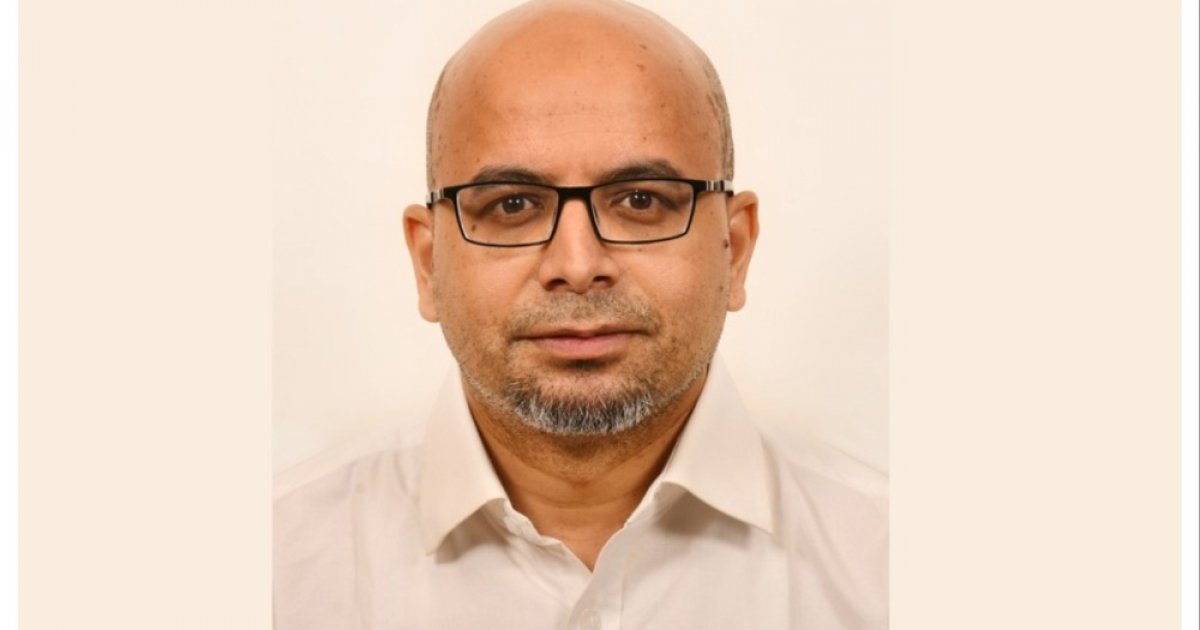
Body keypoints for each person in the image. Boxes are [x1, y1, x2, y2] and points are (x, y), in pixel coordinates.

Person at [273, 0, 887, 628]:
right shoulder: (275, 569)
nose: (577, 263)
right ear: (429, 264)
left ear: (736, 248)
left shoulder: (888, 567)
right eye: (512, 205)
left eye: (641, 200)